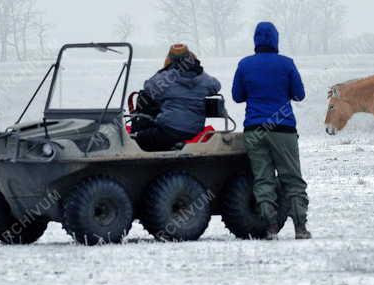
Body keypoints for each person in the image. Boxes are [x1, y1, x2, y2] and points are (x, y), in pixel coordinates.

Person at [231, 22, 310, 240]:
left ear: (255, 40)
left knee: (263, 179)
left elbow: (237, 96)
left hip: (255, 129)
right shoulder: (287, 64)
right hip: (283, 128)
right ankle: (300, 228)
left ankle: (271, 227)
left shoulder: (245, 65)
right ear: (276, 40)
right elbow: (299, 95)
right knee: (292, 179)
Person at [133, 44, 221, 152]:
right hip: (194, 131)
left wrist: (165, 70)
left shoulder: (165, 78)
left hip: (168, 130)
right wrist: (198, 71)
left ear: (169, 59)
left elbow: (148, 87)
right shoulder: (203, 78)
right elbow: (216, 85)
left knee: (138, 138)